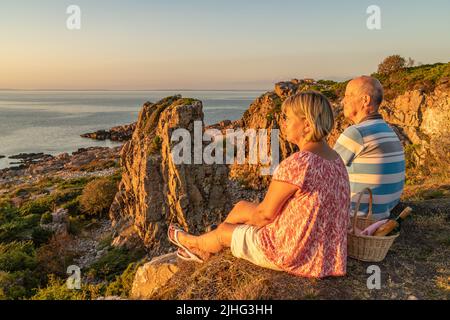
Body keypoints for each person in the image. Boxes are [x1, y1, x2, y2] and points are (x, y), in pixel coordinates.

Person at [169, 91, 350, 278]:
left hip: (294, 254)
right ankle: (208, 247)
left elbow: (264, 215)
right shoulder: (336, 160)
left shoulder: (300, 163)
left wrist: (244, 229)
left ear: (306, 124)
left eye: (287, 117)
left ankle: (195, 244)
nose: (283, 122)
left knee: (224, 231)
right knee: (240, 208)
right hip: (325, 253)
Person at [334, 76, 405, 220]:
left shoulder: (356, 133)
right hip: (383, 216)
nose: (343, 101)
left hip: (356, 220)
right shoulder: (389, 130)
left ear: (365, 100)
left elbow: (323, 173)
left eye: (348, 95)